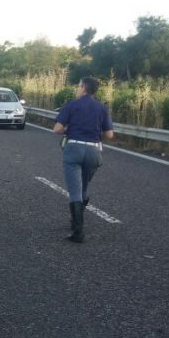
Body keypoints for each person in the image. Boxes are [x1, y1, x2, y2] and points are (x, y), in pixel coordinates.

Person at [52, 77, 115, 243]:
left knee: (74, 192)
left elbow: (57, 129)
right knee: (83, 187)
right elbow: (109, 134)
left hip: (74, 149)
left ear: (84, 88)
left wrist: (68, 128)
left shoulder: (72, 105)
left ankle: (78, 232)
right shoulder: (102, 108)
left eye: (78, 86)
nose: (77, 88)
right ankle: (78, 216)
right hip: (94, 151)